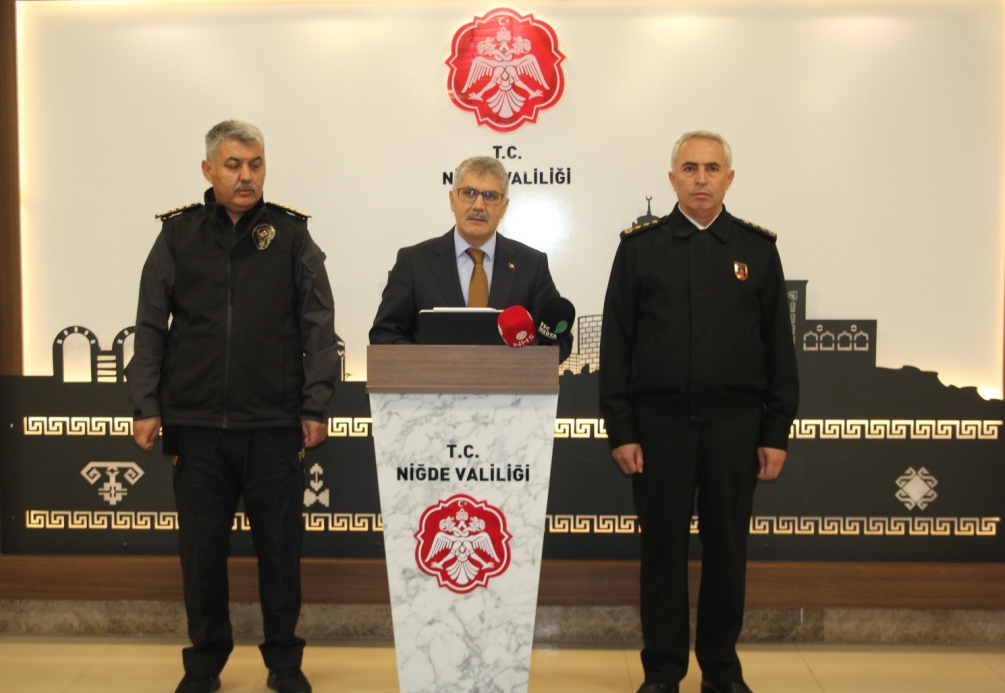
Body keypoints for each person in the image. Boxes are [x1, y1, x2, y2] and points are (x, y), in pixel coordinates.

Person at [126, 120, 337, 693]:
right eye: (234, 164)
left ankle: (285, 665)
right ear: (209, 171)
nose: (246, 175)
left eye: (256, 164)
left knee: (279, 551)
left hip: (273, 425)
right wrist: (146, 403)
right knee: (201, 554)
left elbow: (318, 326)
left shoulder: (292, 236)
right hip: (195, 426)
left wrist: (316, 403)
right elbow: (149, 324)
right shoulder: (177, 235)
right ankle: (204, 665)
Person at [598, 131, 799, 693]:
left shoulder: (757, 251)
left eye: (713, 168)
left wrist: (775, 431)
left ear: (729, 178)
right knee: (661, 552)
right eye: (690, 168)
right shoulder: (641, 248)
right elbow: (617, 345)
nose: (702, 178)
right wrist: (622, 428)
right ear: (672, 179)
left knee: (728, 552)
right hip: (658, 429)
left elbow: (778, 350)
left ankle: (721, 670)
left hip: (736, 427)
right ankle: (662, 672)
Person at [369, 155, 571, 360]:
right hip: (431, 389)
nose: (478, 205)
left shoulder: (531, 265)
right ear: (452, 199)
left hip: (509, 388)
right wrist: (428, 360)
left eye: (490, 196)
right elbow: (383, 335)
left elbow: (559, 341)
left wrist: (522, 356)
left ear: (504, 207)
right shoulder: (414, 262)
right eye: (469, 193)